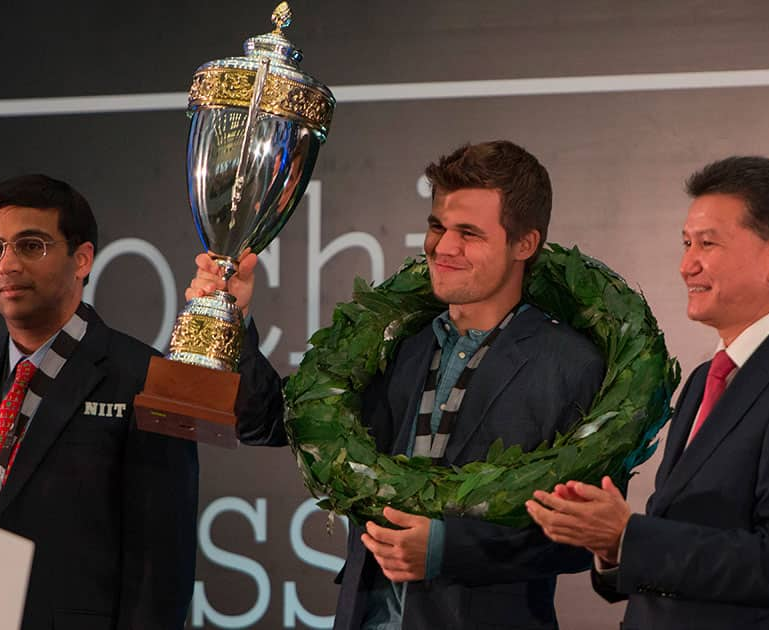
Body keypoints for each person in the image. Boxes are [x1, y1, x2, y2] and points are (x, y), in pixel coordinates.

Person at [188, 140, 606, 629]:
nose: (443, 247)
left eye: (468, 233)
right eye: (437, 226)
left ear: (525, 244)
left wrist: (448, 550)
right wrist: (231, 319)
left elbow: (579, 538)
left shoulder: (569, 365)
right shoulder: (394, 345)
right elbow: (268, 422)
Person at [0, 174, 282, 630]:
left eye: (30, 246)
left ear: (82, 259)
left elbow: (161, 567)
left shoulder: (144, 376)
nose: (7, 264)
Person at [525, 156, 769, 630]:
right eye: (686, 243)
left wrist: (630, 536)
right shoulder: (706, 377)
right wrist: (611, 546)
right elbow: (682, 538)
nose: (687, 265)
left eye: (708, 244)